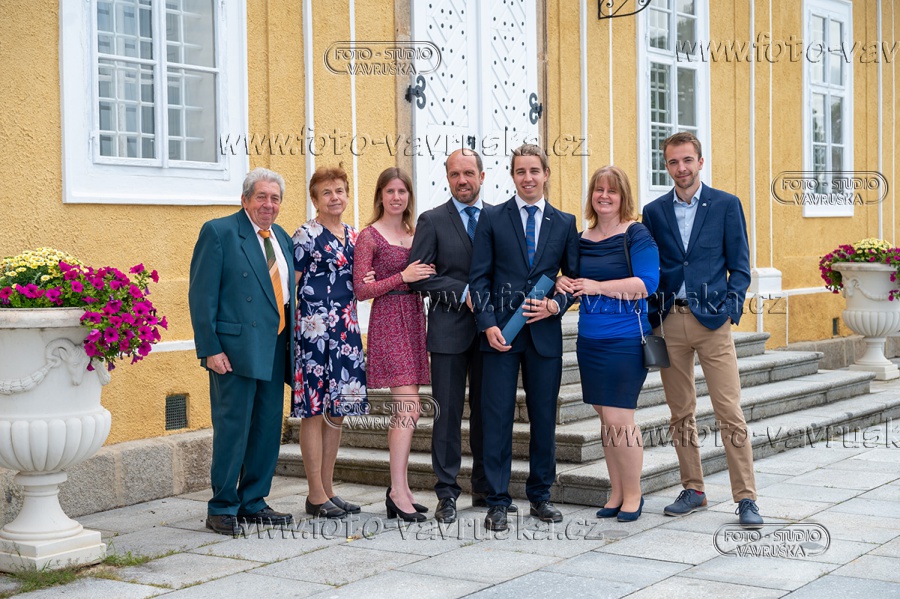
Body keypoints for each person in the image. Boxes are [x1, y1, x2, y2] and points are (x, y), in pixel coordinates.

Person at [641, 131, 763, 529]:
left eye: (687, 160)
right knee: (680, 412)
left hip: (713, 323)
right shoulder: (654, 211)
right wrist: (651, 317)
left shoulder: (726, 205)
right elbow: (650, 266)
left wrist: (730, 310)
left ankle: (746, 498)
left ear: (700, 162)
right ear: (666, 166)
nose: (681, 168)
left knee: (729, 411)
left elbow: (740, 267)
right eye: (673, 162)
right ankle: (693, 489)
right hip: (669, 322)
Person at [469, 143, 579, 532]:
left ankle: (540, 496)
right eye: (521, 171)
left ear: (546, 173)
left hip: (544, 336)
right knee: (496, 418)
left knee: (544, 418)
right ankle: (497, 501)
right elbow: (479, 278)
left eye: (534, 171)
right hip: (501, 334)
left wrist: (555, 306)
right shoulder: (492, 217)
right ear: (512, 176)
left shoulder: (564, 222)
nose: (528, 178)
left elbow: (573, 280)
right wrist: (487, 323)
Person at [188, 167, 295, 535]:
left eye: (275, 198)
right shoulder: (219, 232)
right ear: (245, 199)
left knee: (267, 429)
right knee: (233, 430)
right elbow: (202, 295)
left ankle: (254, 501)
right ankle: (221, 507)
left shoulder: (281, 237)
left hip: (275, 347)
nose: (269, 204)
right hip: (234, 350)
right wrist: (210, 349)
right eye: (261, 197)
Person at [557, 166, 659, 523]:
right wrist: (559, 284)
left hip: (625, 339)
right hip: (590, 340)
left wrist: (598, 287)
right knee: (606, 419)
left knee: (619, 419)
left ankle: (634, 495)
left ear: (622, 196)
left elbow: (647, 283)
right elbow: (571, 281)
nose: (604, 196)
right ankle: (616, 492)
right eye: (598, 189)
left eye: (612, 190)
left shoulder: (636, 233)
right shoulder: (581, 238)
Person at [407, 148, 497, 524]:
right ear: (447, 178)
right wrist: (463, 292)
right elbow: (418, 277)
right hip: (447, 332)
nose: (462, 180)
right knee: (447, 416)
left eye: (468, 173)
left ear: (482, 176)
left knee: (487, 413)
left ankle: (485, 488)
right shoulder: (432, 220)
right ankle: (446, 493)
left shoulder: (498, 217)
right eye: (455, 174)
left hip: (491, 332)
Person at [353, 167, 435, 523]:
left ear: (409, 197)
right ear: (380, 196)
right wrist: (401, 276)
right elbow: (361, 289)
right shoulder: (369, 237)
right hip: (388, 321)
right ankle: (397, 491)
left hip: (415, 320)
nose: (396, 197)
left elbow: (426, 276)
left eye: (402, 191)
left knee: (409, 409)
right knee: (408, 408)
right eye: (390, 191)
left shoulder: (416, 234)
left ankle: (401, 489)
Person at [292, 166, 368, 519]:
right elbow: (289, 284)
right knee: (313, 411)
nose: (334, 197)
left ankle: (328, 489)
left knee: (337, 412)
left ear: (347, 195)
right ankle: (314, 494)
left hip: (346, 332)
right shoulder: (305, 235)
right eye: (326, 192)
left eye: (339, 190)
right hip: (314, 333)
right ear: (315, 199)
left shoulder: (355, 235)